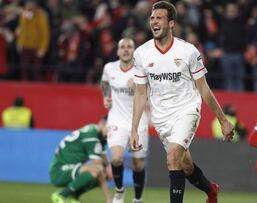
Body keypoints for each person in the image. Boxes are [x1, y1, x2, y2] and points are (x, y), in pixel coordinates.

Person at [130, 1, 234, 203]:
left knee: (172, 156)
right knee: (185, 166)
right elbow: (140, 94)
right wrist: (134, 128)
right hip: (161, 118)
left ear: (171, 23)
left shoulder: (188, 51)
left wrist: (222, 120)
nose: (154, 21)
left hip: (187, 109)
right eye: (152, 18)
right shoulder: (141, 54)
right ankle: (211, 190)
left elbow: (204, 88)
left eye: (159, 17)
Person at [100, 38, 149, 203]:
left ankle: (138, 199)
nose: (126, 50)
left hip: (139, 122)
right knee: (116, 158)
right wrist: (105, 97)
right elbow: (104, 82)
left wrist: (139, 87)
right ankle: (119, 192)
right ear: (118, 51)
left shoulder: (141, 70)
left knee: (138, 165)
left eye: (129, 47)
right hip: (117, 120)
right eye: (123, 47)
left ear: (134, 51)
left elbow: (153, 92)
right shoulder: (110, 68)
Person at [49, 116, 112, 203]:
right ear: (102, 124)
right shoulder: (91, 137)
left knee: (104, 173)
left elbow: (103, 155)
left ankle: (73, 196)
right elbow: (98, 166)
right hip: (59, 172)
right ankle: (61, 195)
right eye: (109, 129)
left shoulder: (94, 132)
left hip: (70, 168)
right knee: (96, 170)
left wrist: (108, 166)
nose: (110, 134)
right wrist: (108, 197)